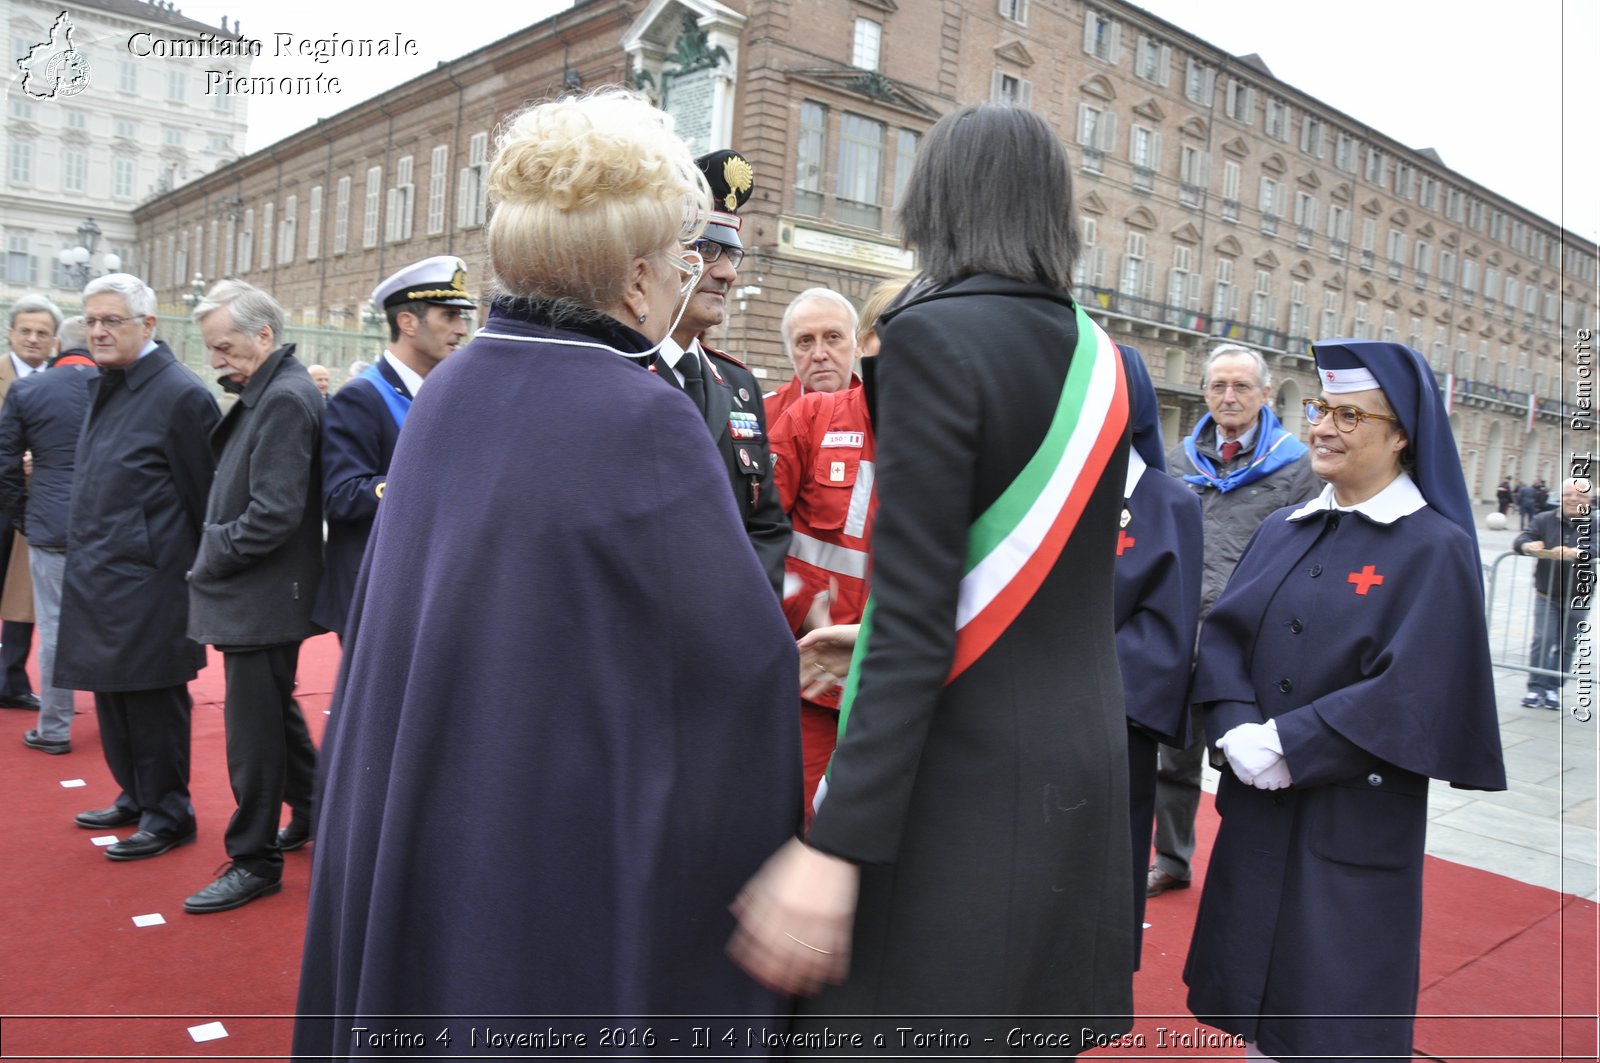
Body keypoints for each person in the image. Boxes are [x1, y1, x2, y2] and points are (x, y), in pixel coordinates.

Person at [293, 88, 800, 1056]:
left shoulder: (448, 392)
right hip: (553, 841)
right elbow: (736, 670)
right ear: (637, 277)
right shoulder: (645, 416)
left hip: (443, 806)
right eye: (684, 261)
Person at [728, 102, 1135, 1046]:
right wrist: (866, 636)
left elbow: (918, 619)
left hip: (957, 784)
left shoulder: (927, 339)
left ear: (936, 201)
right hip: (1077, 762)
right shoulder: (1104, 358)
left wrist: (836, 845)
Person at [1183, 338, 1506, 1061]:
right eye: (1321, 408)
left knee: (1331, 1015)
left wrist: (1292, 742)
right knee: (1256, 1008)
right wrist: (1235, 726)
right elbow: (1228, 636)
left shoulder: (1434, 547)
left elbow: (1416, 683)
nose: (1324, 427)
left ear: (1401, 436)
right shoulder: (1281, 527)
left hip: (1351, 817)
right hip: (1262, 807)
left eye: (1350, 415)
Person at [56, 274, 219, 860]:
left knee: (151, 702)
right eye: (91, 321)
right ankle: (137, 793)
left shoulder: (180, 394)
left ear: (148, 326)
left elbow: (205, 497)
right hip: (104, 572)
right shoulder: (113, 380)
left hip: (152, 581)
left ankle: (169, 813)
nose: (97, 331)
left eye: (111, 321)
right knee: (113, 697)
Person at [1148, 343, 1320, 898]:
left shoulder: (1296, 465)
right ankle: (1172, 859)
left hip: (1249, 641)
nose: (1229, 397)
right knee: (1172, 762)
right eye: (1218, 385)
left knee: (1248, 761)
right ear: (1205, 392)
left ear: (1266, 394)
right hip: (1179, 634)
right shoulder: (1177, 462)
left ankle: (1255, 870)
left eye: (1242, 386)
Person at [183, 280, 323, 914]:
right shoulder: (274, 390)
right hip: (258, 595)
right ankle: (320, 811)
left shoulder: (285, 399)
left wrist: (210, 550)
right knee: (273, 715)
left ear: (263, 337)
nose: (215, 360)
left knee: (253, 736)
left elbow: (272, 515)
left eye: (224, 346)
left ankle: (254, 860)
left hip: (262, 598)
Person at [768, 281, 900, 816]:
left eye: (831, 338)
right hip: (817, 678)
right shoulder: (804, 419)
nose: (819, 352)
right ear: (872, 345)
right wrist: (799, 614)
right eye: (805, 341)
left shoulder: (949, 430)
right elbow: (758, 532)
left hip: (895, 678)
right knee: (807, 821)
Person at [651, 149, 790, 595]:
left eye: (732, 253)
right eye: (706, 249)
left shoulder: (739, 385)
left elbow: (766, 525)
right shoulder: (621, 371)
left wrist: (738, 611)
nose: (727, 273)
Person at [313, 256, 472, 638]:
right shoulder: (362, 396)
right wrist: (427, 483)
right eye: (449, 316)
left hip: (428, 581)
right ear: (408, 322)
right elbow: (340, 495)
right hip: (374, 589)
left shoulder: (447, 391)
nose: (462, 329)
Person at [1112, 343, 1202, 964]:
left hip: (1113, 724)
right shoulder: (1047, 491)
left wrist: (1073, 680)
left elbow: (1164, 634)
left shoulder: (1169, 502)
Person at [0, 315, 97, 755]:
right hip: (109, 524)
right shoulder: (120, 387)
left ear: (59, 344)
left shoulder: (30, 390)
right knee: (111, 621)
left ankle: (54, 727)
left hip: (50, 523)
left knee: (56, 627)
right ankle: (117, 718)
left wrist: (24, 515)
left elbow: (5, 466)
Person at [0, 295, 57, 713]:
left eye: (42, 332)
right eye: (26, 330)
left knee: (22, 598)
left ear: (55, 341)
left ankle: (10, 680)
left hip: (33, 502)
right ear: (11, 333)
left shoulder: (63, 382)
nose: (33, 339)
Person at [1514, 477, 1593, 710]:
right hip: (1546, 593)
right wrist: (1527, 546)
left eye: (1579, 495)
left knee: (1567, 645)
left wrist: (1577, 551)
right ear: (1561, 497)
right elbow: (1523, 538)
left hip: (1578, 597)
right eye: (1568, 494)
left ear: (1589, 500)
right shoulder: (1543, 519)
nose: (1573, 499)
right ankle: (1535, 687)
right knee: (1543, 639)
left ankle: (1552, 688)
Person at [764, 287, 865, 425]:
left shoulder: (881, 408)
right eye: (805, 341)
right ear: (790, 353)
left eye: (833, 337)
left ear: (858, 344)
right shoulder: (764, 413)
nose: (819, 355)